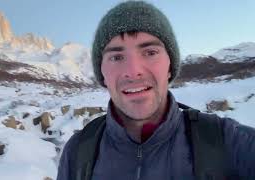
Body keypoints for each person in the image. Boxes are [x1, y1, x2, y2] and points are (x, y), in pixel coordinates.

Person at [57, 1, 255, 180]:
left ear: (170, 65)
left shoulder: (226, 141)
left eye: (150, 52)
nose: (133, 72)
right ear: (102, 73)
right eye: (116, 57)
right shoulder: (78, 152)